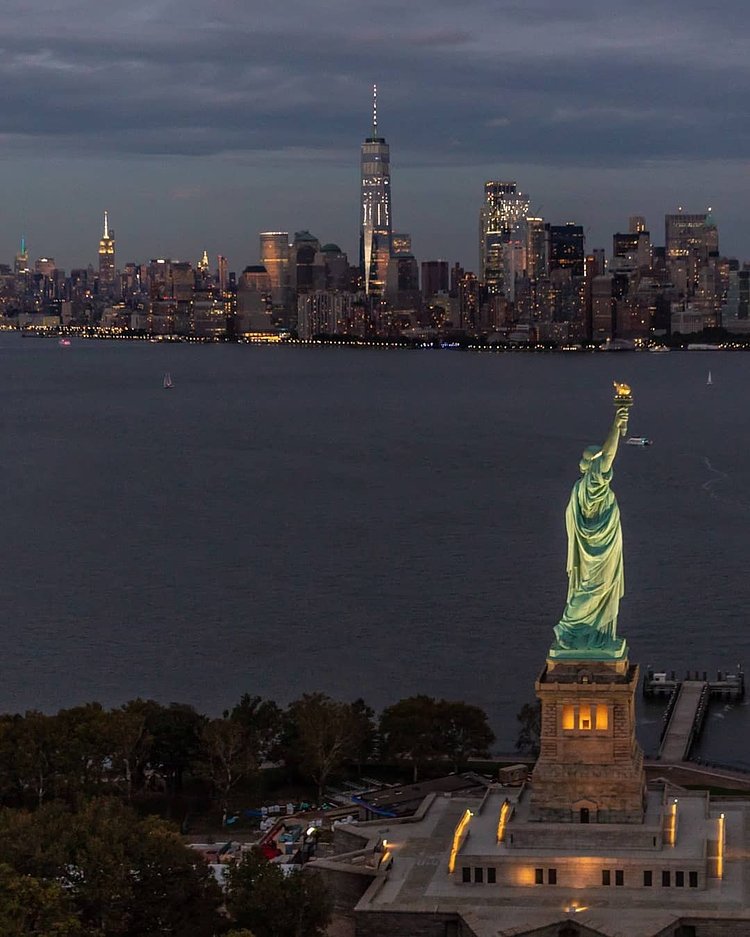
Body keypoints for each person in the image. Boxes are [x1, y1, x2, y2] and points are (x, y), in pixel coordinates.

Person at [552, 406, 629, 654]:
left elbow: (606, 457)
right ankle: (568, 627)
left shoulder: (581, 488)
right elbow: (608, 456)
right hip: (597, 550)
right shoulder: (592, 486)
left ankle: (591, 633)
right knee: (593, 588)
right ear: (594, 466)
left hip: (598, 547)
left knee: (592, 588)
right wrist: (615, 427)